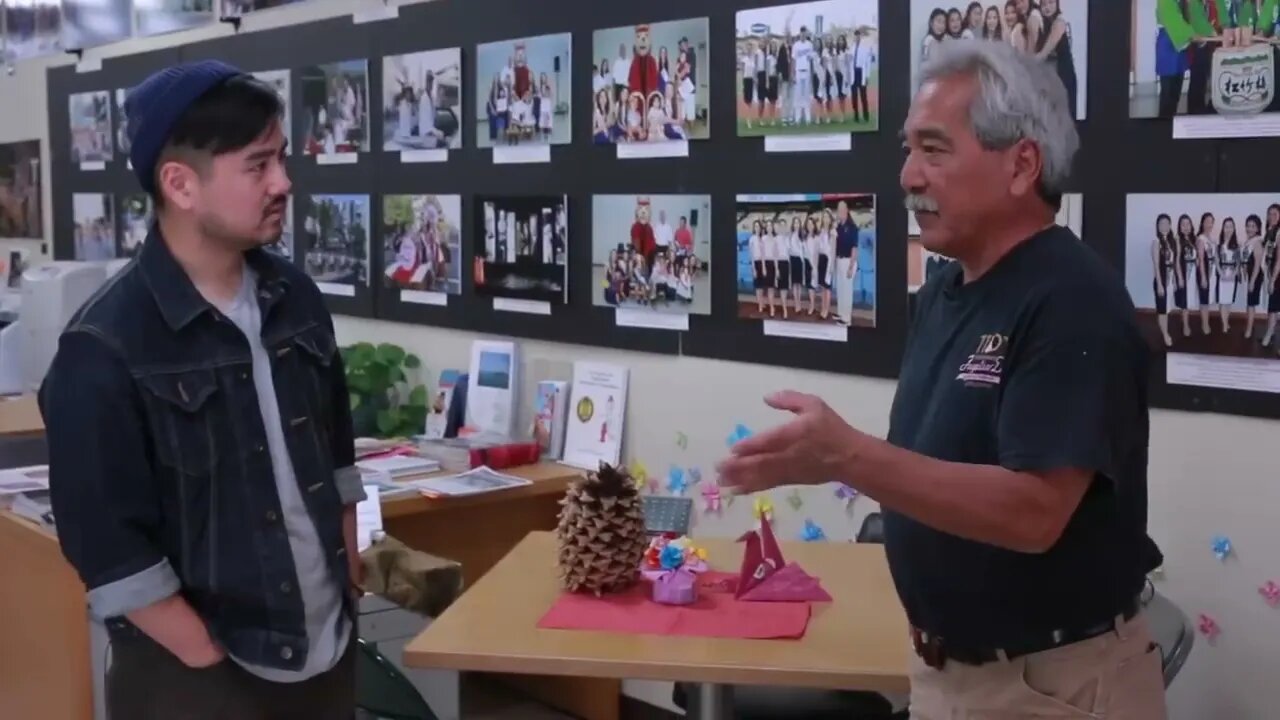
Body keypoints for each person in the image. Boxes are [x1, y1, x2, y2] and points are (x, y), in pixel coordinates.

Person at [716, 40, 1167, 718]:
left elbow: (1033, 513)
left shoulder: (1072, 302)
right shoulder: (946, 290)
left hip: (1049, 688)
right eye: (907, 149)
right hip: (947, 675)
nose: (907, 175)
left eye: (934, 149)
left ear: (1021, 165)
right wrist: (837, 458)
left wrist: (848, 455)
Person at [39, 61, 363, 719]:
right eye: (258, 165)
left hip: (327, 652)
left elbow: (338, 465)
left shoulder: (295, 298)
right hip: (200, 678)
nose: (284, 182)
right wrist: (200, 654)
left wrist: (348, 585)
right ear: (180, 184)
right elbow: (105, 543)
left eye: (281, 159)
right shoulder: (104, 345)